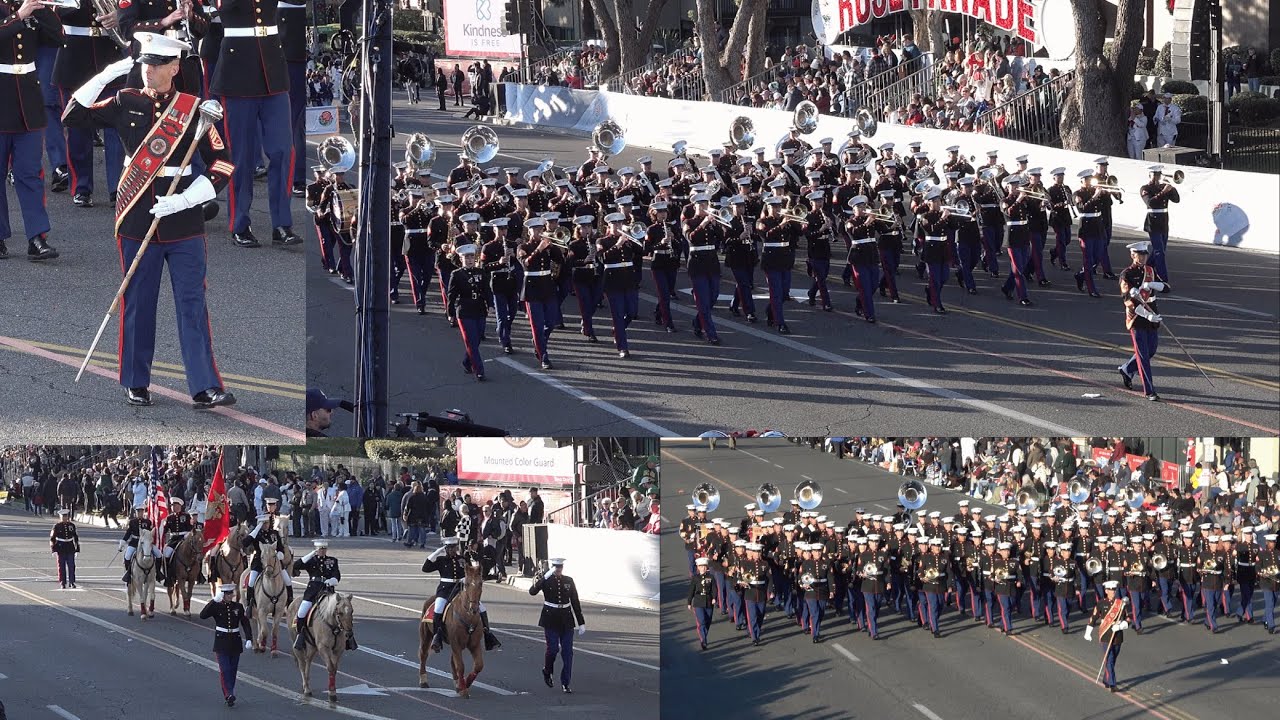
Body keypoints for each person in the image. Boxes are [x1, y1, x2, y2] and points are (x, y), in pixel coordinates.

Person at [62, 34, 235, 409]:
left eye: (156, 65)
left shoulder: (194, 110)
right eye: (144, 64)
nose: (148, 71)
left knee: (192, 303)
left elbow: (223, 163)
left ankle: (205, 386)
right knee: (138, 302)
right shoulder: (127, 100)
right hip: (137, 213)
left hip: (184, 216)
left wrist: (189, 198)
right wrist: (110, 72)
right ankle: (136, 380)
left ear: (175, 67)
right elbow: (72, 116)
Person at [212, 0, 301, 248]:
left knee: (282, 150)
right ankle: (240, 224)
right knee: (241, 156)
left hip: (272, 71)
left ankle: (282, 224)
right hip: (237, 73)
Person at [0, 0, 60, 261]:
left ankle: (37, 237)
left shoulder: (30, 7)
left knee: (29, 172)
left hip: (29, 100)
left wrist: (42, 8)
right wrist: (19, 16)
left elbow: (58, 38)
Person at [421, 536, 501, 651]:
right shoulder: (441, 560)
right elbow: (425, 568)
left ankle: (487, 634)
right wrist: (436, 552)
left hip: (460, 589)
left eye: (454, 548)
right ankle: (437, 636)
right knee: (438, 608)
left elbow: (470, 573)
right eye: (450, 548)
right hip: (445, 590)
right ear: (446, 549)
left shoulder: (462, 559)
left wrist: (467, 578)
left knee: (482, 608)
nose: (453, 550)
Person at [529, 557, 586, 693]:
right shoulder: (546, 580)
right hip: (550, 618)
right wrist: (543, 578)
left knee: (568, 653)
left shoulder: (568, 581)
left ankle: (565, 682)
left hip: (566, 619)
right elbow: (532, 591)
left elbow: (575, 602)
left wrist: (581, 622)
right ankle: (547, 670)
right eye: (556, 568)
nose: (558, 570)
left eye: (560, 568)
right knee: (552, 649)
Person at [1117, 241, 1165, 401]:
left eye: (1145, 254)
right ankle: (1150, 391)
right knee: (1143, 355)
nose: (1143, 258)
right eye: (1140, 255)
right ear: (1132, 255)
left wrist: (1152, 284)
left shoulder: (1150, 271)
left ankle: (1126, 369)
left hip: (1152, 314)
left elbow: (1166, 287)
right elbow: (1128, 302)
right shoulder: (1126, 275)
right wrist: (1147, 314)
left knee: (1151, 350)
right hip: (1137, 317)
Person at [291, 539, 355, 651]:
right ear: (316, 549)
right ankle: (300, 636)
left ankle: (349, 638)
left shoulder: (332, 561)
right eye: (320, 549)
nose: (323, 551)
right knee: (301, 612)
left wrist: (333, 580)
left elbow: (336, 574)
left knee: (344, 612)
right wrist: (310, 554)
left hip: (328, 591)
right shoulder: (311, 560)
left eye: (324, 549)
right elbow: (296, 565)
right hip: (313, 590)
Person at [199, 582, 254, 706]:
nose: (231, 596)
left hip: (235, 640)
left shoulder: (238, 607)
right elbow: (203, 616)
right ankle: (228, 694)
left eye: (231, 593)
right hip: (222, 641)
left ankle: (231, 691)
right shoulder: (216, 606)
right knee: (225, 669)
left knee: (233, 670)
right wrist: (213, 601)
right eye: (228, 594)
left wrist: (249, 638)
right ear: (222, 595)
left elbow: (245, 623)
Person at [448, 242, 491, 380]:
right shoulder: (457, 274)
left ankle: (467, 361)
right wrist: (450, 313)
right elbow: (451, 296)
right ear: (461, 259)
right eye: (466, 257)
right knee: (471, 341)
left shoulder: (481, 272)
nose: (470, 260)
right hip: (465, 311)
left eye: (472, 256)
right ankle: (479, 370)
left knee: (477, 339)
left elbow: (486, 290)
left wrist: (490, 304)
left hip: (479, 309)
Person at [1084, 580, 1129, 692]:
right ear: (1106, 591)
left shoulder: (1121, 603)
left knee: (1113, 660)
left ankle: (1106, 679)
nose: (1113, 591)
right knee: (1109, 659)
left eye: (1114, 589)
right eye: (1110, 590)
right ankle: (1113, 684)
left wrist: (1122, 625)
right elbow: (1094, 617)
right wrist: (1088, 631)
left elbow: (1128, 617)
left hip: (1117, 635)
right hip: (1105, 634)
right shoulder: (1101, 603)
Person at [1138, 166, 1179, 283]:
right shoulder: (1145, 188)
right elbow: (1150, 203)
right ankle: (1163, 279)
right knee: (1159, 252)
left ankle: (1144, 270)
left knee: (1160, 251)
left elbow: (1176, 199)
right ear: (1150, 175)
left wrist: (1172, 189)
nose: (1157, 177)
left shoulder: (1163, 186)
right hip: (1153, 222)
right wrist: (1163, 192)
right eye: (1154, 175)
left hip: (1164, 222)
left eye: (1158, 175)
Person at [688, 556, 716, 649]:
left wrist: (714, 598)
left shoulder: (711, 577)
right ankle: (703, 640)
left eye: (704, 566)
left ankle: (704, 636)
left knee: (708, 621)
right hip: (698, 602)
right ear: (698, 567)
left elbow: (714, 589)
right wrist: (689, 602)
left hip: (708, 601)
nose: (703, 568)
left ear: (707, 567)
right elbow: (691, 590)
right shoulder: (695, 578)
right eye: (701, 566)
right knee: (702, 622)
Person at [50, 508, 81, 589]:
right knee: (61, 566)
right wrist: (53, 549)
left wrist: (77, 549)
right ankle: (62, 582)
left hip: (70, 547)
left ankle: (72, 582)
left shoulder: (72, 525)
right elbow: (52, 538)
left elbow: (75, 537)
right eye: (63, 516)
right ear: (60, 517)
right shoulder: (57, 526)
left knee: (71, 566)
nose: (64, 518)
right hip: (60, 547)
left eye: (66, 516)